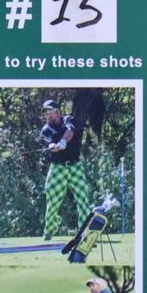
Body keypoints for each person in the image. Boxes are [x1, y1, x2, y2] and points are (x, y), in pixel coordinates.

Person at [39, 98, 91, 239]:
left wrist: (62, 142)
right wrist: (53, 147)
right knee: (53, 201)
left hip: (75, 166)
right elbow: (49, 144)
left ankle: (84, 232)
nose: (48, 114)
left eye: (51, 111)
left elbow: (70, 132)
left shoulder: (68, 119)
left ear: (57, 111)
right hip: (57, 168)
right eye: (46, 112)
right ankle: (49, 231)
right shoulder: (45, 129)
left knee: (82, 199)